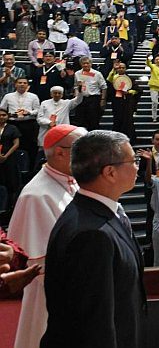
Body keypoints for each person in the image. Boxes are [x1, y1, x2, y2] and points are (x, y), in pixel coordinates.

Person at [41, 130, 145, 348]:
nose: (137, 166)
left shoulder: (96, 212)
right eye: (133, 160)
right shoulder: (92, 235)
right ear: (110, 172)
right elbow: (95, 323)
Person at [7, 125, 86, 348]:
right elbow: (37, 261)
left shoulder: (75, 182)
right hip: (51, 296)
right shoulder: (36, 195)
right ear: (60, 152)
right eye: (82, 148)